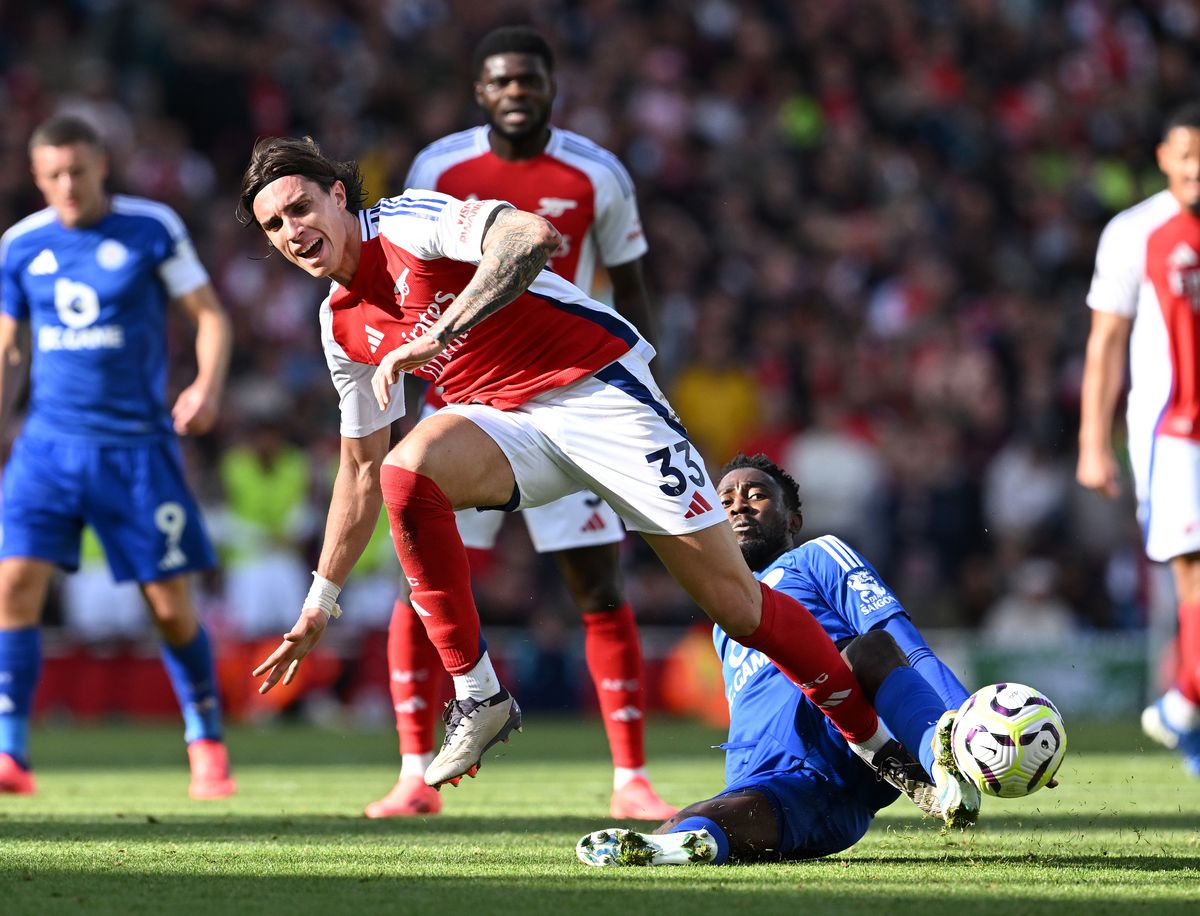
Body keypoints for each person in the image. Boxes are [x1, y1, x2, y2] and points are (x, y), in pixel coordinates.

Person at [239, 137, 899, 799]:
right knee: (405, 472)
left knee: (738, 607)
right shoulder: (340, 325)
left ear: (338, 196)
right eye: (274, 226)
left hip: (597, 393)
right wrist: (320, 603)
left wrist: (437, 336)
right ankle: (480, 696)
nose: (293, 231)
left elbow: (530, 237)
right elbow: (358, 468)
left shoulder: (410, 221)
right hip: (505, 424)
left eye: (300, 207)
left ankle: (873, 741)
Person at [368, 25, 669, 820]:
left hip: (570, 394)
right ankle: (411, 772)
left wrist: (639, 380)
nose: (515, 92)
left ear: (550, 85)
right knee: (420, 581)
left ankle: (631, 777)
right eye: (500, 81)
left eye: (528, 80)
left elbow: (631, 289)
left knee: (596, 584)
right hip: (467, 398)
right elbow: (407, 271)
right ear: (479, 90)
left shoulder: (596, 173)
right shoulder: (438, 167)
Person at [576, 454, 979, 867]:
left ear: (793, 521)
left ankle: (938, 768)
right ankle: (670, 844)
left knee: (870, 648)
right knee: (698, 820)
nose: (739, 506)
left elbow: (905, 647)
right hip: (775, 791)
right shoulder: (724, 622)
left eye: (757, 495)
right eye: (726, 501)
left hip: (847, 760)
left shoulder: (817, 557)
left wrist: (969, 727)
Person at [0, 115, 235, 797]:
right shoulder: (21, 246)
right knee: (13, 586)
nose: (67, 186)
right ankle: (11, 752)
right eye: (52, 176)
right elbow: (10, 348)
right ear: (38, 178)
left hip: (136, 448)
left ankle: (206, 737)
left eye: (77, 170)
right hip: (47, 446)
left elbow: (211, 314)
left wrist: (206, 385)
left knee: (168, 605)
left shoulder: (151, 226)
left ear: (101, 164)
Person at [1077, 102, 1200, 777]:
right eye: (1185, 154)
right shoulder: (1136, 231)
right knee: (1191, 580)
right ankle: (1185, 712)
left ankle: (1184, 704)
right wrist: (1093, 443)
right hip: (1171, 428)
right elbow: (1107, 342)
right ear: (1163, 157)